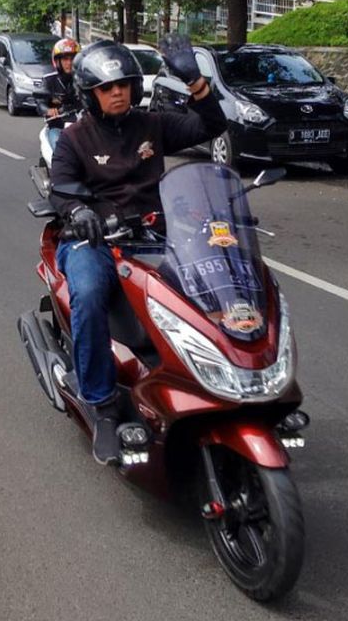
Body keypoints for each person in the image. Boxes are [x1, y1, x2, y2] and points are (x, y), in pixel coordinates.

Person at [48, 36, 226, 464]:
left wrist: (196, 80)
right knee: (89, 295)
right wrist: (77, 211)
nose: (117, 93)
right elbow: (60, 191)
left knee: (211, 283)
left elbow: (211, 126)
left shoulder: (153, 125)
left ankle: (204, 378)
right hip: (95, 243)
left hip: (153, 235)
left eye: (124, 84)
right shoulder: (74, 138)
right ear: (90, 94)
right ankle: (103, 405)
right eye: (107, 88)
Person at [37, 38, 81, 118]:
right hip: (57, 123)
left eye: (72, 59)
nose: (69, 63)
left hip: (82, 124)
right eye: (65, 59)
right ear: (57, 61)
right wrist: (47, 110)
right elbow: (41, 103)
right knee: (54, 131)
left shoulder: (83, 79)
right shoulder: (49, 80)